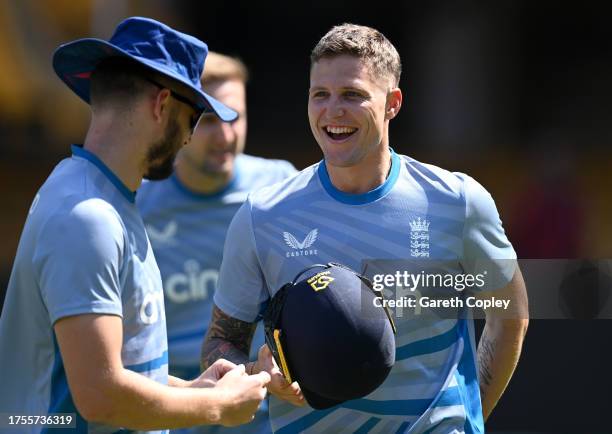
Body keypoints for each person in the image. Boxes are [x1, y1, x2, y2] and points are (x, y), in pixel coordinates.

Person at [201, 23, 529, 433]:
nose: (332, 110)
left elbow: (509, 312)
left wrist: (471, 416)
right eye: (320, 95)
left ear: (392, 103)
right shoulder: (263, 215)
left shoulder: (458, 201)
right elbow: (221, 341)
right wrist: (256, 371)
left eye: (353, 95)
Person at [0, 17, 270, 433]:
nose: (188, 138)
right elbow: (100, 395)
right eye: (195, 118)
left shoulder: (105, 197)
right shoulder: (86, 216)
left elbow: (123, 369)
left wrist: (196, 390)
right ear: (162, 105)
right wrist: (216, 408)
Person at [137, 52, 296, 433]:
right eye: (209, 120)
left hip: (266, 416)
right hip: (170, 412)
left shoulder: (282, 190)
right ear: (175, 120)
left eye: (235, 117)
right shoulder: (136, 204)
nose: (225, 135)